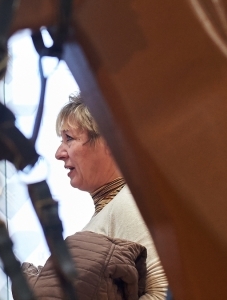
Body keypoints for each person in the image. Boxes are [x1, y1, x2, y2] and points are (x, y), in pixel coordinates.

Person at [54, 92, 168, 300]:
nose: (59, 153)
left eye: (69, 139)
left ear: (109, 142)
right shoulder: (114, 208)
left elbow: (162, 293)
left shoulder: (130, 202)